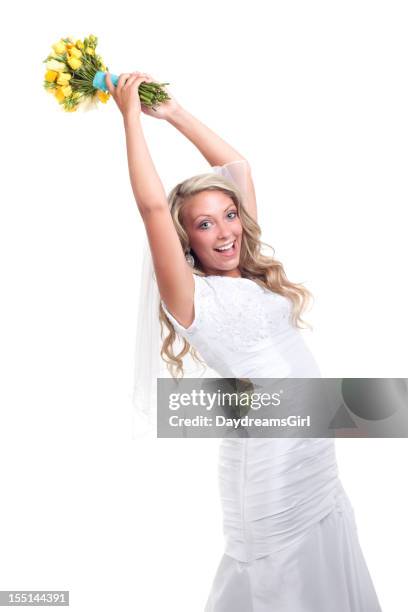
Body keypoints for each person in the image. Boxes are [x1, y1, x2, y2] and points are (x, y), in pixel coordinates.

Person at [106, 71, 383, 611]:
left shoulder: (249, 274)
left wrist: (175, 113)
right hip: (270, 445)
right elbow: (153, 208)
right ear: (186, 241)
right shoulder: (190, 297)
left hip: (310, 436)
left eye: (230, 215)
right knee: (278, 559)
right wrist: (131, 119)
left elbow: (238, 169)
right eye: (206, 225)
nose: (227, 231)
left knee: (315, 547)